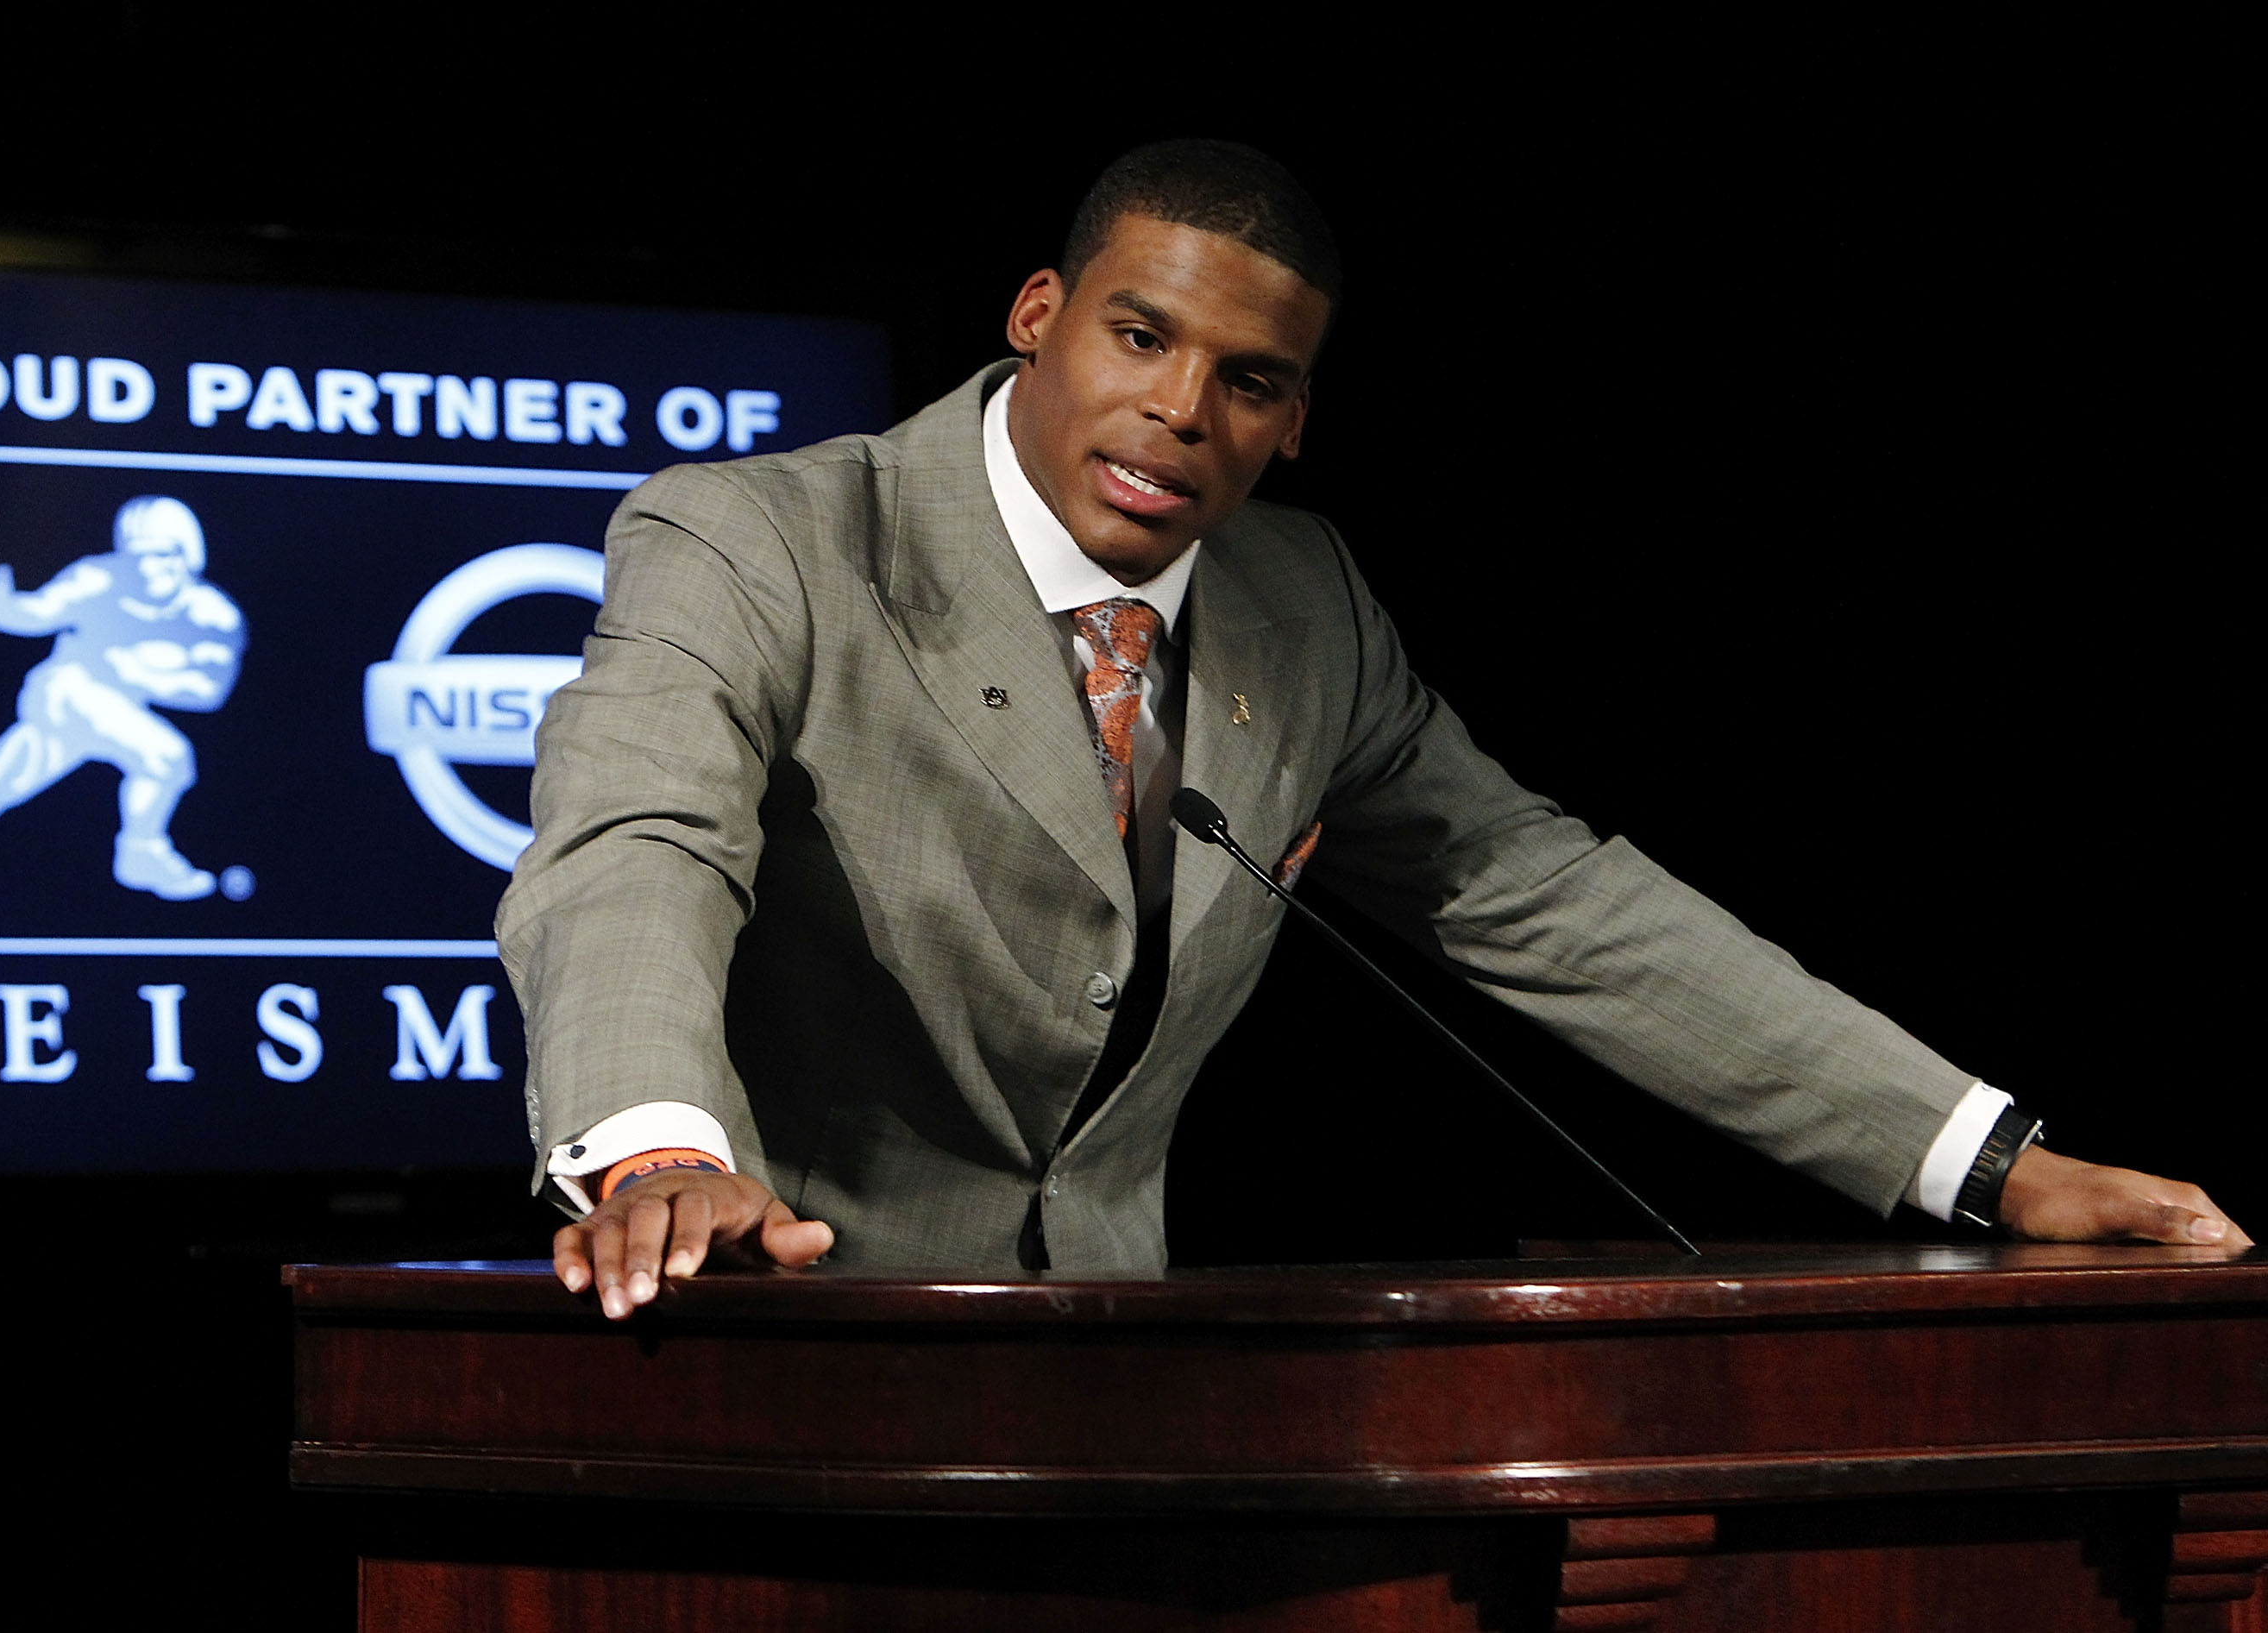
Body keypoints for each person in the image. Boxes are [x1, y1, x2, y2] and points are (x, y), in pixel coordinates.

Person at [497, 141, 2249, 1319]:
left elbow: (1554, 904)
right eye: (1138, 335)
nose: (1179, 411)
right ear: (1039, 318)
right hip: (768, 1351)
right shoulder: (764, 538)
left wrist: (1989, 1162)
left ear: (1295, 421)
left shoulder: (1302, 606)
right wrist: (660, 1147)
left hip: (1116, 1391)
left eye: (1247, 382)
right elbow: (638, 845)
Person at [0, 494, 242, 901]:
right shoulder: (97, 578)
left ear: (188, 553)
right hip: (66, 691)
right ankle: (140, 854)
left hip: (118, 706)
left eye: (164, 555)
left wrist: (139, 673)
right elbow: (36, 613)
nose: (150, 567)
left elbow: (210, 692)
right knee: (167, 755)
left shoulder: (214, 616)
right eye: (139, 555)